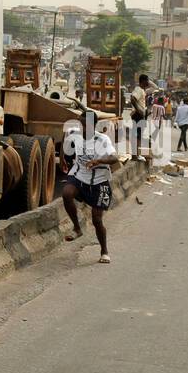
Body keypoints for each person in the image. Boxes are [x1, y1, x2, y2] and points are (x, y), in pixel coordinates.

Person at [60, 110, 119, 263]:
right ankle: (77, 228)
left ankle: (104, 250)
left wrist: (98, 161)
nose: (80, 126)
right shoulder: (75, 134)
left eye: (84, 124)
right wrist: (62, 158)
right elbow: (65, 138)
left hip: (99, 182)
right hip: (79, 176)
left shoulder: (102, 139)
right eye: (80, 123)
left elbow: (114, 158)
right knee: (66, 193)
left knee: (97, 220)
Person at [130, 74, 149, 154]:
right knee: (137, 135)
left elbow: (154, 87)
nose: (148, 82)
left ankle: (137, 153)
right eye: (147, 80)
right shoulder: (138, 89)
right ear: (143, 81)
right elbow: (133, 98)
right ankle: (136, 154)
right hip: (138, 115)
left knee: (139, 135)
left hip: (139, 115)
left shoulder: (142, 90)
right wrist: (139, 110)